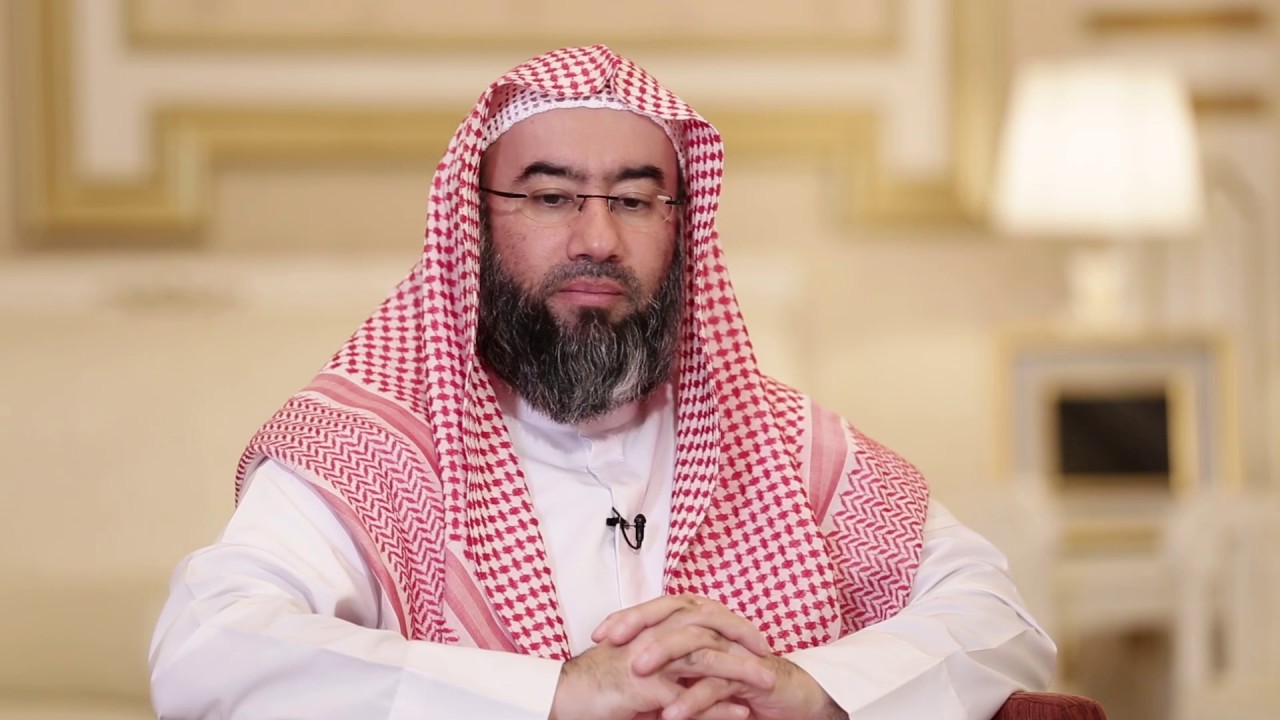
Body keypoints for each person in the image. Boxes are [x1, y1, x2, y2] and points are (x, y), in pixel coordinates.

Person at [149, 45, 1055, 719]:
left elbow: (1000, 620)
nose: (597, 239)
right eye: (550, 198)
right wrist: (556, 696)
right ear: (476, 223)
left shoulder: (778, 448)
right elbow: (208, 647)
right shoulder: (376, 451)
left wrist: (813, 688)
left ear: (679, 227)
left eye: (633, 200)